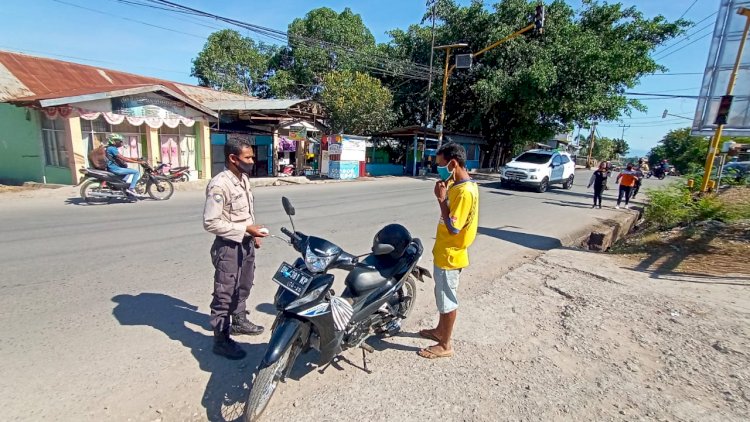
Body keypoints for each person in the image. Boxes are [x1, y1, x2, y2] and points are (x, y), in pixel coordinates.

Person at [202, 137, 269, 360]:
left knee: (244, 284)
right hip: (229, 246)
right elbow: (211, 222)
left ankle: (239, 321)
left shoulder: (243, 179)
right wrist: (245, 230)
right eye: (247, 157)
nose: (252, 160)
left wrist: (253, 233)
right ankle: (220, 340)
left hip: (246, 243)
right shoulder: (219, 184)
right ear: (233, 158)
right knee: (224, 293)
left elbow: (246, 212)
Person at [418, 143, 479, 359]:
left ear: (453, 163)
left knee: (447, 299)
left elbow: (454, 227)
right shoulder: (460, 184)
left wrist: (441, 199)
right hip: (445, 251)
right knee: (441, 296)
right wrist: (446, 186)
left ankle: (445, 344)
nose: (439, 170)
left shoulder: (464, 192)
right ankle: (439, 331)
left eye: (441, 165)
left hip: (451, 254)